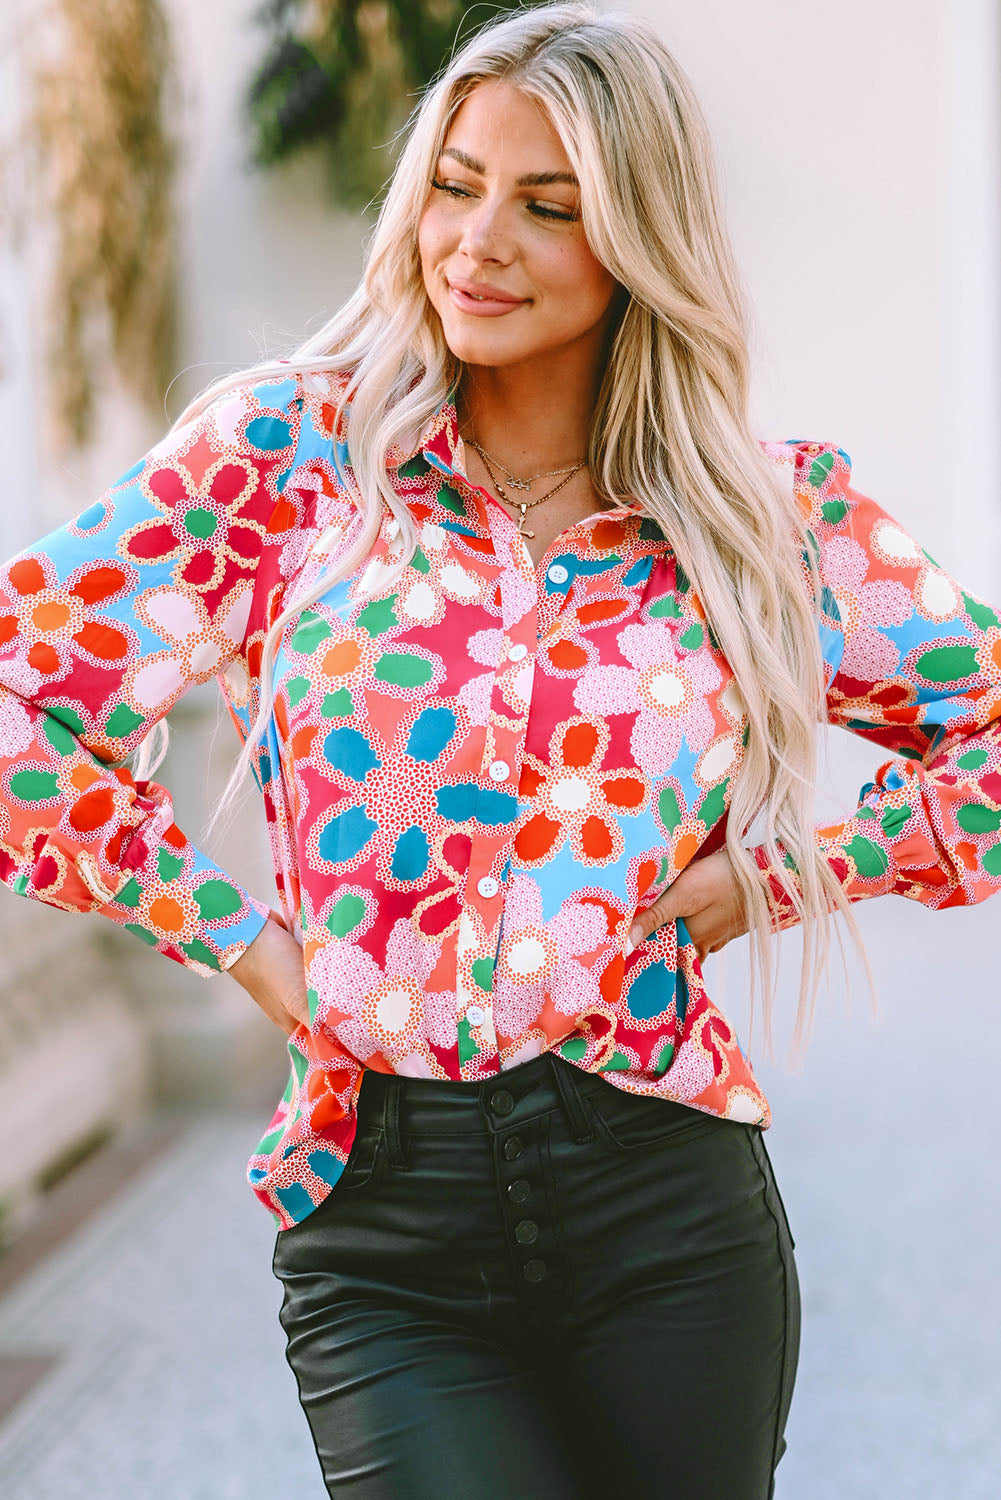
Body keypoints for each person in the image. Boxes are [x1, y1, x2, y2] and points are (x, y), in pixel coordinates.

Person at [2, 3, 999, 1496]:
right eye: (456, 183)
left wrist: (786, 875)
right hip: (379, 1223)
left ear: (637, 246)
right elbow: (26, 695)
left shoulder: (756, 519)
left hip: (664, 1210)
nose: (475, 240)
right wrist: (229, 931)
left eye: (547, 207)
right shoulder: (288, 467)